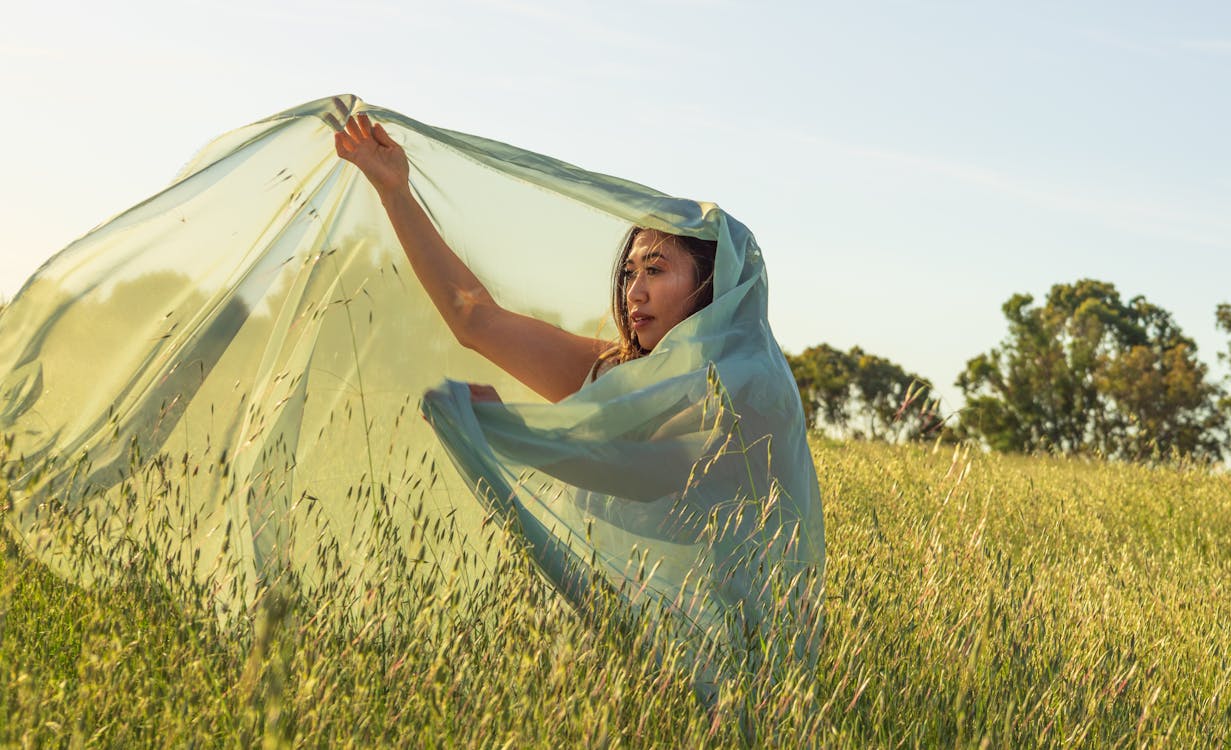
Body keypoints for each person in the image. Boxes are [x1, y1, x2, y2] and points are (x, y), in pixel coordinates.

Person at [333, 114, 716, 403]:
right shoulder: (612, 373)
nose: (634, 293)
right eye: (629, 273)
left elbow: (637, 469)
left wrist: (510, 430)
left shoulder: (739, 392)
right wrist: (395, 192)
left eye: (654, 269)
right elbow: (477, 321)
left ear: (711, 281)